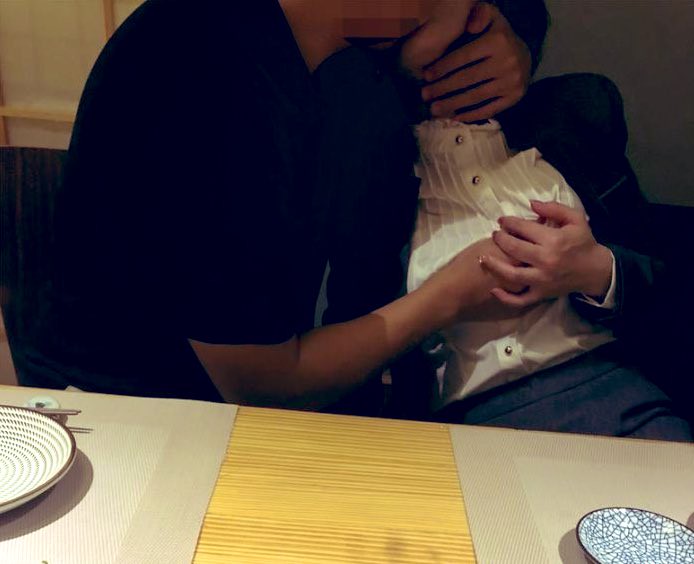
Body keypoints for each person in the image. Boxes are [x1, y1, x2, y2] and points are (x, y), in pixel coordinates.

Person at [20, 0, 527, 408]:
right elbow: (265, 384)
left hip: (225, 392)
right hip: (127, 414)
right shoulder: (210, 73)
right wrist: (452, 293)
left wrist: (508, 48)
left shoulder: (308, 46)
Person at [385, 5, 692, 441]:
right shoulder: (372, 167)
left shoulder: (573, 116)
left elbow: (666, 277)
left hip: (616, 395)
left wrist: (597, 271)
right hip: (465, 428)